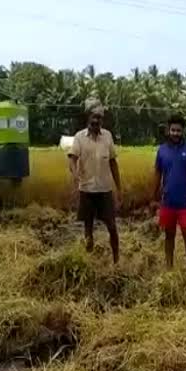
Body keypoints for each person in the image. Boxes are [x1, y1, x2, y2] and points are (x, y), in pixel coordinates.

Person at [67, 98, 122, 264]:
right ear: (88, 117)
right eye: (93, 117)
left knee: (112, 228)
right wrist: (75, 174)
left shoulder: (107, 137)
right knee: (88, 230)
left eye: (99, 117)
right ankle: (89, 261)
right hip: (87, 191)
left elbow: (113, 162)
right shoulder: (79, 137)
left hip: (105, 191)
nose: (96, 120)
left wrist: (119, 188)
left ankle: (116, 261)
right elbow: (72, 158)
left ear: (102, 120)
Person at [152, 114, 186, 273]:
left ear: (183, 131)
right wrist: (154, 196)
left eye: (178, 130)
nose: (175, 133)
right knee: (169, 236)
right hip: (167, 202)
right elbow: (157, 174)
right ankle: (169, 267)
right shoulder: (162, 150)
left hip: (185, 203)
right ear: (168, 130)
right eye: (173, 130)